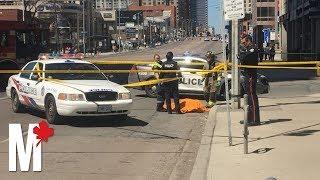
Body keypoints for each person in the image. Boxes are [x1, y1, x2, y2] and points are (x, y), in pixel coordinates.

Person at [239, 34, 261, 126]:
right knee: (248, 97)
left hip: (251, 75)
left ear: (248, 41)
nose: (243, 44)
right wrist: (242, 56)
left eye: (244, 42)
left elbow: (245, 59)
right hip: (247, 74)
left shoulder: (253, 49)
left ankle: (255, 120)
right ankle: (249, 118)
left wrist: (242, 56)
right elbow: (242, 59)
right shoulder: (247, 50)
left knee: (252, 97)